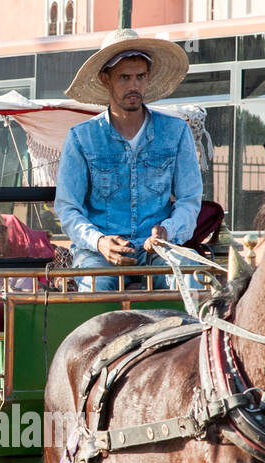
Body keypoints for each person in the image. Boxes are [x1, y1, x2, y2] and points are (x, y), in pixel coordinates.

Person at [55, 28, 202, 292]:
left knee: (190, 282)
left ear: (148, 79)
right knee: (95, 289)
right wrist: (100, 241)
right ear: (105, 79)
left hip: (160, 250)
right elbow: (68, 208)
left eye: (140, 77)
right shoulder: (81, 137)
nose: (134, 86)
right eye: (124, 77)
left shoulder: (176, 132)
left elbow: (189, 201)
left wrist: (167, 231)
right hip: (97, 254)